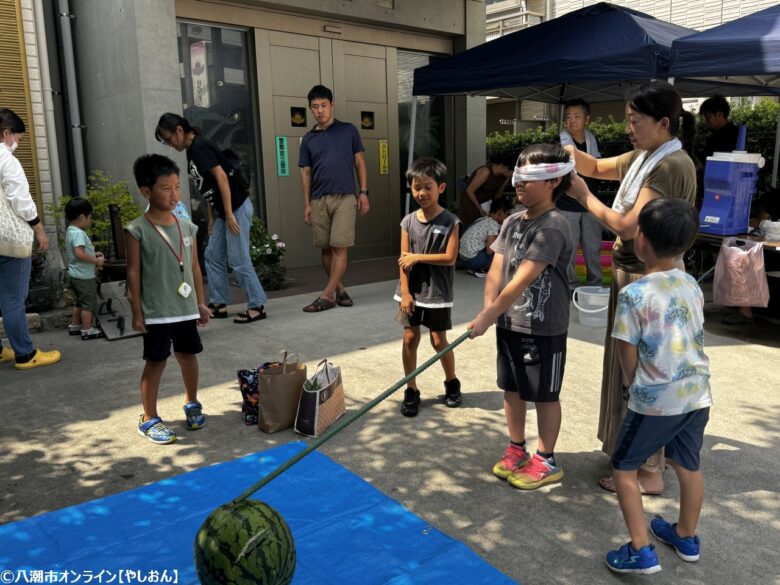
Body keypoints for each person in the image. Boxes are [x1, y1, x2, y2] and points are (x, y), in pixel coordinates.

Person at [565, 81, 697, 496]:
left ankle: (648, 470)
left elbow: (627, 225)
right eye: (626, 120)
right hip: (634, 275)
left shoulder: (670, 165)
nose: (629, 128)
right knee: (630, 369)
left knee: (642, 373)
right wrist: (568, 152)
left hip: (648, 280)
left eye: (635, 120)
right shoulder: (647, 155)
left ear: (662, 123)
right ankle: (633, 455)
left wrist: (583, 196)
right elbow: (596, 166)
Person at [605, 198, 711, 575]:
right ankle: (685, 535)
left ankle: (641, 550)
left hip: (655, 400)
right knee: (687, 463)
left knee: (623, 468)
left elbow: (626, 351)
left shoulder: (635, 293)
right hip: (697, 393)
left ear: (641, 240)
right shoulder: (692, 285)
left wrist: (633, 384)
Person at [469, 143, 573, 490]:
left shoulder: (554, 225)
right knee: (512, 388)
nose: (519, 183)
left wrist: (487, 316)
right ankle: (517, 447)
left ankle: (546, 458)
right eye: (518, 175)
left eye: (529, 177)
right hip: (509, 322)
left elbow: (524, 277)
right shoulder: (512, 221)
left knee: (544, 393)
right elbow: (497, 270)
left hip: (544, 327)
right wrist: (489, 311)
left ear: (554, 181)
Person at [125, 154, 210, 444]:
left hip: (185, 309)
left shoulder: (188, 227)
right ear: (146, 191)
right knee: (156, 361)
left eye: (177, 187)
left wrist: (200, 302)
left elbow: (195, 267)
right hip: (157, 311)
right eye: (165, 188)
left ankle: (192, 401)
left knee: (189, 356)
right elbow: (133, 273)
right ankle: (149, 418)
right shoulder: (136, 229)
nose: (174, 194)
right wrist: (137, 311)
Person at [155, 113, 267, 324]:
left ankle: (257, 305)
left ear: (179, 130)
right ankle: (219, 303)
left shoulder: (200, 147)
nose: (169, 144)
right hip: (224, 212)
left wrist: (229, 214)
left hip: (237, 208)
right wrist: (213, 218)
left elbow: (222, 178)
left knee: (239, 259)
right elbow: (207, 188)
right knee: (213, 255)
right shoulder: (192, 150)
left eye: (168, 138)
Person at [395, 158, 462, 417]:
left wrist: (417, 257)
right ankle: (410, 389)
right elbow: (403, 261)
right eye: (416, 187)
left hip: (438, 293)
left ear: (441, 188)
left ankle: (452, 383)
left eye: (428, 187)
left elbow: (450, 258)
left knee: (438, 340)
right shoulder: (408, 221)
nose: (421, 193)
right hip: (410, 292)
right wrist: (405, 293)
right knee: (409, 338)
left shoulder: (451, 221)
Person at [299, 85, 369, 313]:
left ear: (332, 105)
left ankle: (326, 295)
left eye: (323, 105)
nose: (320, 110)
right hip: (319, 199)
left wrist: (364, 192)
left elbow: (360, 162)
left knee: (340, 246)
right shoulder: (308, 139)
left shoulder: (348, 130)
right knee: (325, 249)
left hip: (345, 197)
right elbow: (305, 173)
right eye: (315, 107)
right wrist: (307, 203)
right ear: (310, 109)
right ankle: (339, 290)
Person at [0, 107, 60, 370]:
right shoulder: (6, 159)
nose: (18, 144)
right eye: (19, 139)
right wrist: (37, 227)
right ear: (7, 133)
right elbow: (20, 200)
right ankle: (25, 353)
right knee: (13, 297)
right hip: (8, 239)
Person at [558, 98, 604, 290]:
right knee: (568, 249)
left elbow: (599, 168)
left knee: (593, 248)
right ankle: (570, 286)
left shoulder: (594, 141)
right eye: (568, 117)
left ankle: (595, 284)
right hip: (567, 203)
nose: (572, 121)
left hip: (590, 202)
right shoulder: (558, 142)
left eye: (577, 116)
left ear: (587, 119)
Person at [64, 197, 105, 340]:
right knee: (88, 304)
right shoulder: (79, 233)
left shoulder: (70, 231)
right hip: (84, 277)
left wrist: (93, 253)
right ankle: (87, 330)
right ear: (82, 217)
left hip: (74, 275)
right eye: (90, 217)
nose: (90, 220)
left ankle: (75, 326)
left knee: (78, 303)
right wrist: (96, 260)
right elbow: (79, 253)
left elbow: (78, 253)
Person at [458, 196, 512, 277]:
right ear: (500, 213)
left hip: (463, 257)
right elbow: (490, 250)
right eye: (507, 214)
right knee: (502, 255)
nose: (508, 217)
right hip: (472, 260)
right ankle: (483, 270)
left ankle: (476, 268)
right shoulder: (493, 224)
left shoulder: (481, 219)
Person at [458, 157, 513, 229]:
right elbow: (469, 190)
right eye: (513, 172)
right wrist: (479, 209)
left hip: (485, 205)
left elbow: (498, 194)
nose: (512, 175)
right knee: (472, 227)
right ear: (506, 168)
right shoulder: (486, 171)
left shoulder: (505, 176)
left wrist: (497, 209)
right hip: (471, 203)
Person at [699, 95, 739, 160]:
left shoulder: (735, 135)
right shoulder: (736, 133)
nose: (706, 121)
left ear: (720, 114)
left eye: (708, 117)